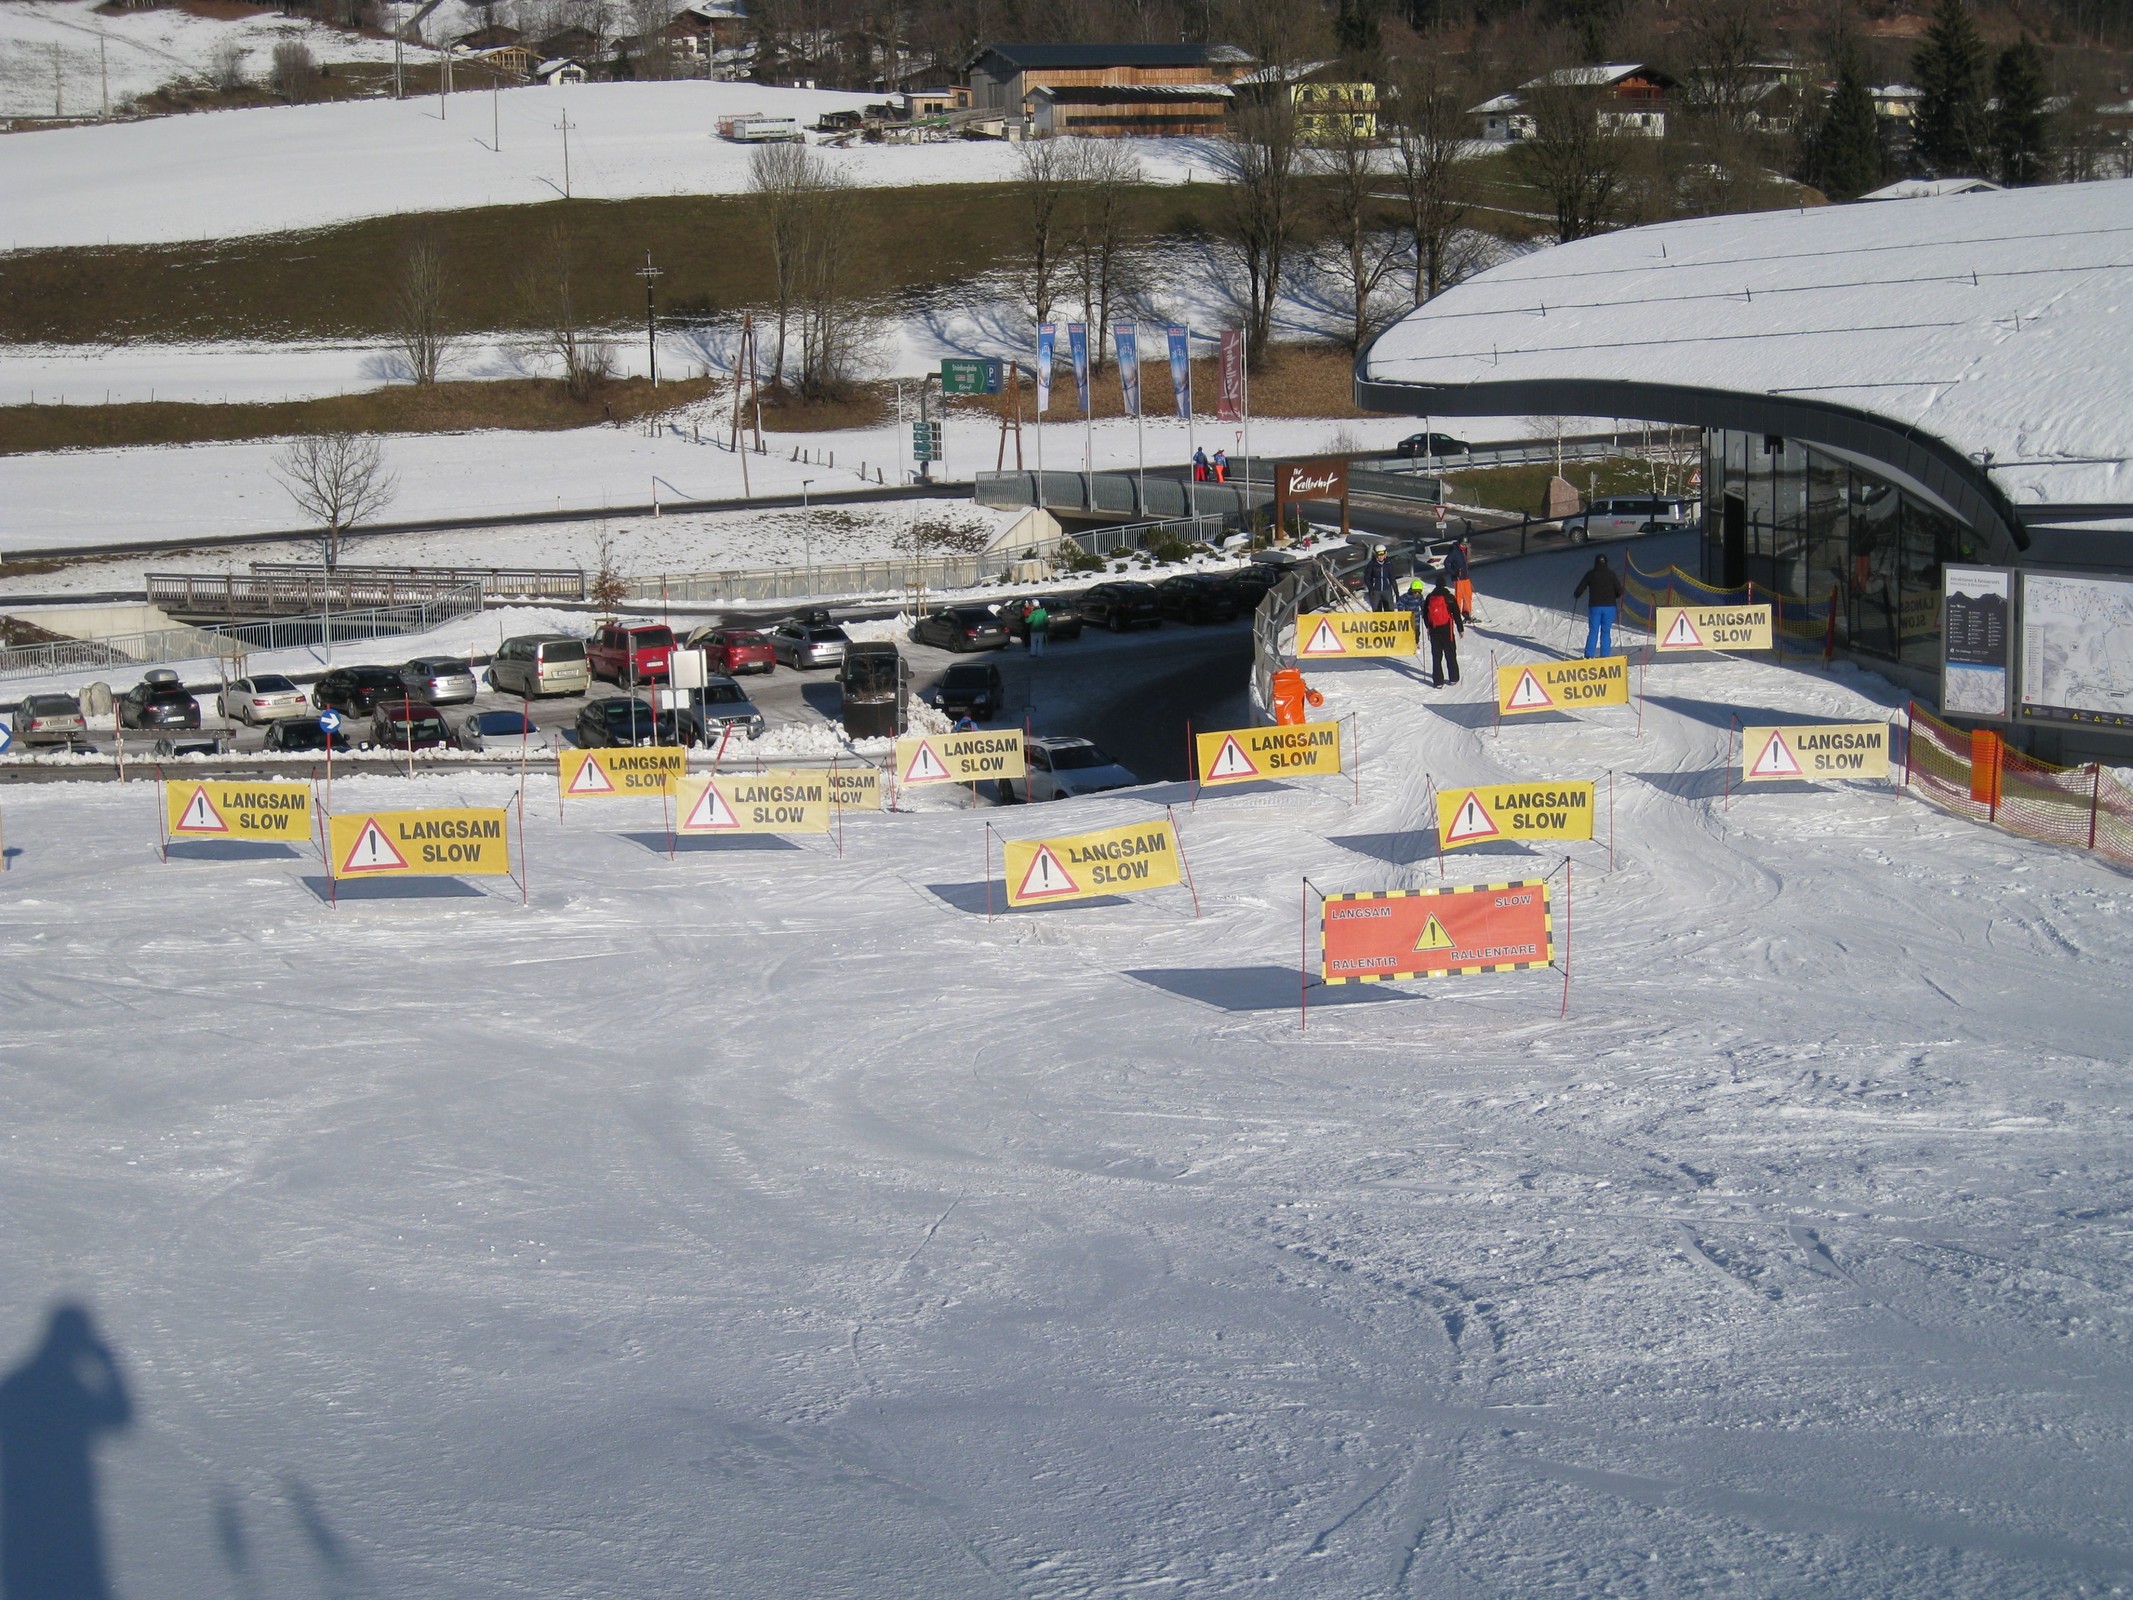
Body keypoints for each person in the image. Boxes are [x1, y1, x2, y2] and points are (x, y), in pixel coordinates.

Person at [1573, 552, 1624, 658]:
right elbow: (1619, 591)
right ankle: (1605, 655)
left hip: (1595, 607)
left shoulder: (1591, 574)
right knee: (1606, 631)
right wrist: (1614, 596)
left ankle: (1589, 655)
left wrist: (1577, 594)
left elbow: (1580, 588)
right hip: (1609, 607)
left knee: (1594, 630)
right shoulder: (1611, 574)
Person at [1422, 575, 1464, 687]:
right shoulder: (1449, 597)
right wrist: (1460, 629)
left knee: (1436, 657)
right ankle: (1453, 678)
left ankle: (1438, 682)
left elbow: (1425, 614)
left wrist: (1428, 626)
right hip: (1447, 630)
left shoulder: (1430, 597)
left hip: (1434, 630)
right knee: (1450, 654)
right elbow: (1456, 614)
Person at [1446, 537, 1474, 624]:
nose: (1463, 546)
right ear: (1458, 543)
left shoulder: (1464, 550)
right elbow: (1446, 563)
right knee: (1459, 597)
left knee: (1468, 596)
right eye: (1462, 544)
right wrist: (1453, 572)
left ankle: (1466, 613)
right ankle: (1456, 615)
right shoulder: (1455, 551)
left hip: (1465, 577)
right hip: (1458, 578)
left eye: (1465, 545)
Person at [1362, 543, 1397, 613]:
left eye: (1382, 554)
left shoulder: (1388, 564)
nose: (1381, 557)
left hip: (1387, 590)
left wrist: (1396, 591)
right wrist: (1371, 588)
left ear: (1385, 554)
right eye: (1379, 555)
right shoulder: (1372, 564)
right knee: (1377, 612)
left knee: (1389, 611)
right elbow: (1367, 577)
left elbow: (1392, 578)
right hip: (1376, 591)